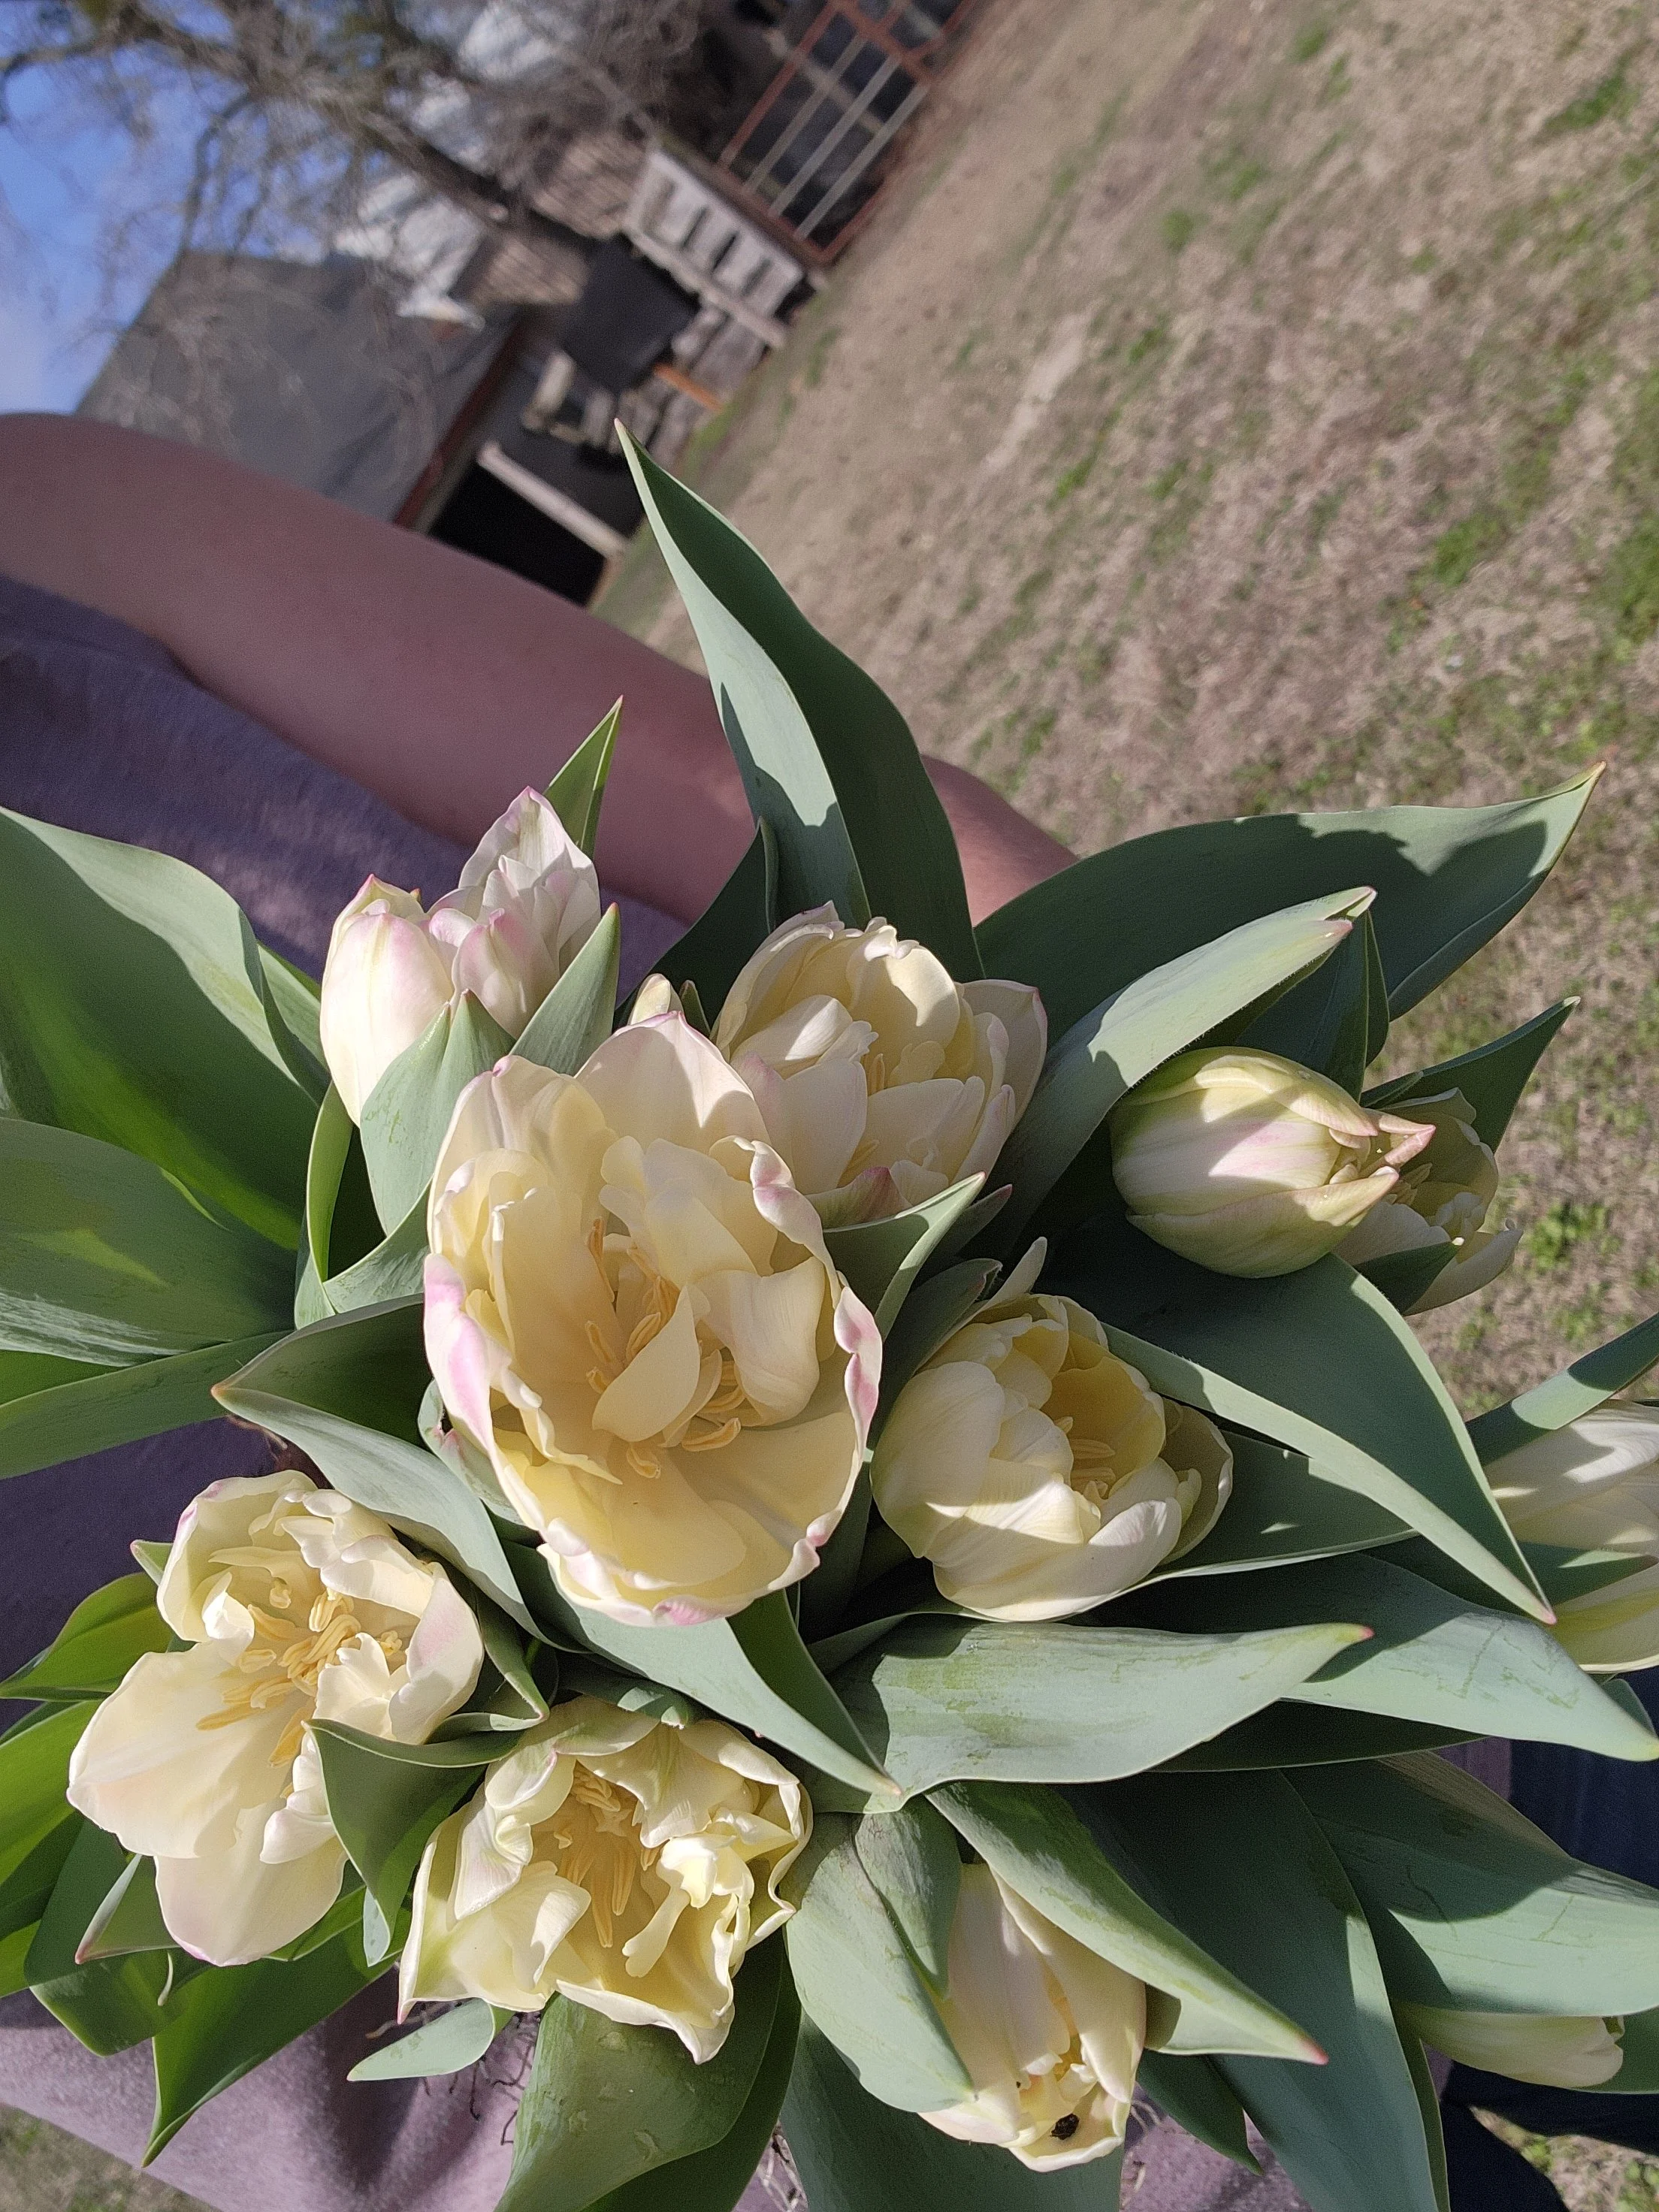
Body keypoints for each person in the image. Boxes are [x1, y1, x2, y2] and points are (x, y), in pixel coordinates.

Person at [0, 412, 1071, 2212]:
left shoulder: (35, 534)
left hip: (1248, 1610)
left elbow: (759, 815)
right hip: (737, 2132)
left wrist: (1210, 1150)